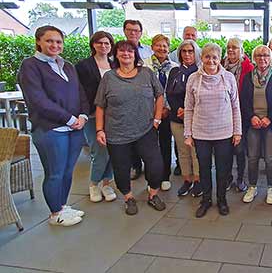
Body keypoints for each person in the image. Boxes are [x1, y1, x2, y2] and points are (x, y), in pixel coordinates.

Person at [19, 25, 89, 226]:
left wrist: (83, 115)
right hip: (51, 129)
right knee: (55, 172)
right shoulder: (30, 66)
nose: (54, 45)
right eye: (49, 41)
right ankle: (55, 213)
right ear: (39, 42)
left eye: (58, 41)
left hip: (75, 127)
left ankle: (63, 206)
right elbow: (38, 100)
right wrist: (69, 119)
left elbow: (80, 92)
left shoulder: (67, 65)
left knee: (68, 171)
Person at [94, 40, 166, 215]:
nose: (126, 54)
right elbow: (100, 105)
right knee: (121, 168)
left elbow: (159, 95)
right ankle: (128, 198)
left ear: (135, 54)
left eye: (130, 51)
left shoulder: (146, 73)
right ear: (116, 55)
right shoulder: (109, 77)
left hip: (146, 129)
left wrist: (157, 119)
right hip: (117, 133)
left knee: (155, 164)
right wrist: (99, 129)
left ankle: (153, 194)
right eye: (122, 51)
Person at [184, 43, 242, 218]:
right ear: (202, 58)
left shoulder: (229, 78)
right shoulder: (193, 78)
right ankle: (206, 200)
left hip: (224, 132)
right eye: (207, 57)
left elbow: (235, 106)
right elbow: (188, 107)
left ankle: (222, 199)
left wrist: (237, 131)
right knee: (204, 168)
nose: (211, 60)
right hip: (201, 132)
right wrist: (188, 133)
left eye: (215, 57)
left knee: (223, 168)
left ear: (220, 59)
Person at [76, 31, 117, 203]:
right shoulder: (83, 65)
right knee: (99, 151)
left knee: (113, 151)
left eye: (107, 43)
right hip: (93, 115)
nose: (103, 46)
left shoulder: (115, 64)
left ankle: (106, 184)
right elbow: (79, 92)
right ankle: (94, 184)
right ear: (93, 44)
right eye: (99, 43)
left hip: (114, 116)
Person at [240, 45, 272, 204]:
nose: (262, 58)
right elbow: (243, 100)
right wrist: (251, 117)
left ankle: (271, 188)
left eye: (265, 55)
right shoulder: (247, 77)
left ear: (270, 58)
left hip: (269, 124)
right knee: (252, 157)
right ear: (254, 58)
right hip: (253, 123)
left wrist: (270, 118)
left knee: (270, 158)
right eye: (258, 55)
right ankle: (252, 187)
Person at [166, 40, 203, 197]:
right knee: (182, 151)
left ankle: (197, 181)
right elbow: (169, 93)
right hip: (176, 118)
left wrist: (188, 111)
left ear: (196, 53)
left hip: (195, 119)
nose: (187, 54)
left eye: (190, 51)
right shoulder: (175, 71)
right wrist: (178, 109)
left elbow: (201, 97)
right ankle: (187, 180)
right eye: (184, 51)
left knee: (195, 152)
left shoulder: (201, 73)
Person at [143, 34, 177, 191]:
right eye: (158, 45)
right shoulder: (143, 66)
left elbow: (176, 92)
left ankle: (164, 176)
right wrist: (155, 110)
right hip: (149, 112)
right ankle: (152, 179)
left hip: (167, 112)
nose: (162, 48)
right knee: (149, 147)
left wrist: (166, 108)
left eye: (165, 46)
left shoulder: (175, 67)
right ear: (152, 46)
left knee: (165, 144)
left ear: (168, 49)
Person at [223, 37, 254, 193]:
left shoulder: (249, 68)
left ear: (241, 51)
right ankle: (227, 177)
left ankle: (240, 178)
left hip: (241, 114)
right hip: (222, 116)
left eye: (234, 47)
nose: (230, 50)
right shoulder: (220, 65)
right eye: (228, 47)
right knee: (225, 150)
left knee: (240, 149)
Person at [123, 19, 153, 180]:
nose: (133, 33)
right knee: (130, 137)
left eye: (136, 30)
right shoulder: (119, 50)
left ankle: (150, 170)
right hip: (127, 102)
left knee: (147, 139)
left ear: (141, 32)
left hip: (147, 101)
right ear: (124, 31)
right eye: (130, 30)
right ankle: (135, 165)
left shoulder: (149, 52)